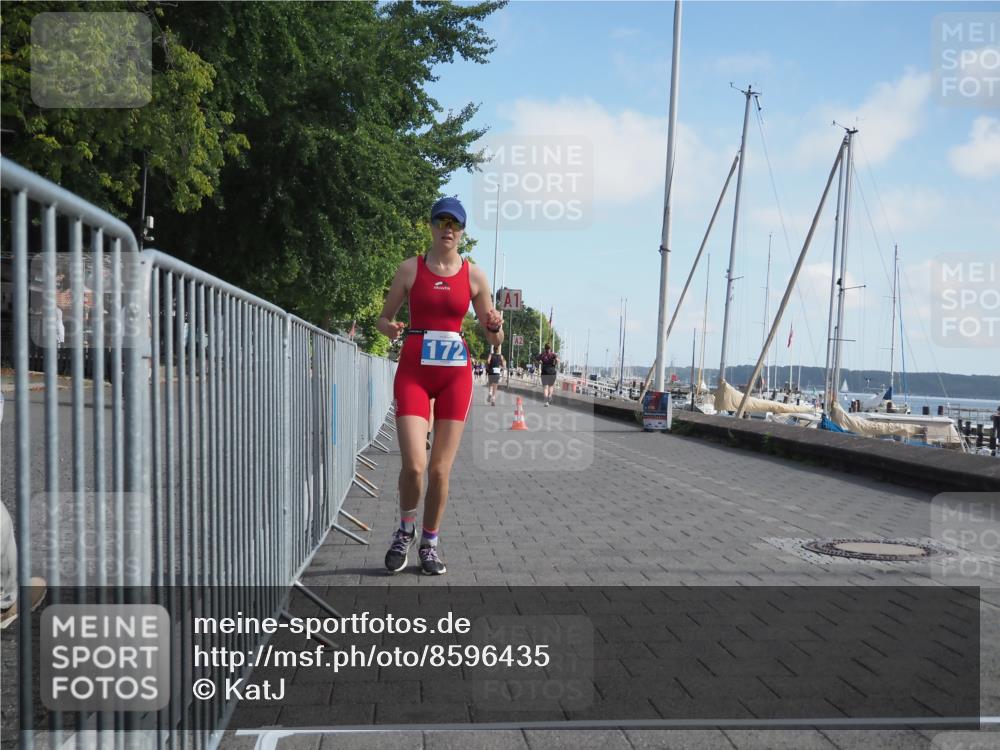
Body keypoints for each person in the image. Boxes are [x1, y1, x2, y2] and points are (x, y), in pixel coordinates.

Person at [377, 197, 503, 575]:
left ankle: (429, 542)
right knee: (415, 466)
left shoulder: (475, 276)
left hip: (454, 376)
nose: (448, 229)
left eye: (455, 224)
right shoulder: (409, 269)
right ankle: (404, 530)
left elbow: (493, 337)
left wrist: (495, 325)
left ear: (462, 232)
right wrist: (391, 327)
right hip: (415, 371)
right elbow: (383, 320)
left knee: (439, 471)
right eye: (441, 221)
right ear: (431, 226)